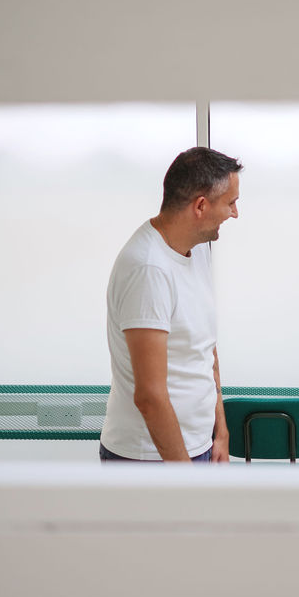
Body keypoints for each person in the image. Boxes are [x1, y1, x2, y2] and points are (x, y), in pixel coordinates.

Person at [99, 146, 241, 463]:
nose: (234, 213)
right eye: (230, 203)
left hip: (197, 448)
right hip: (149, 460)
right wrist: (184, 478)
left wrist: (220, 432)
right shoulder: (149, 269)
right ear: (201, 206)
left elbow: (205, 348)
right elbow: (149, 396)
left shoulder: (198, 247)